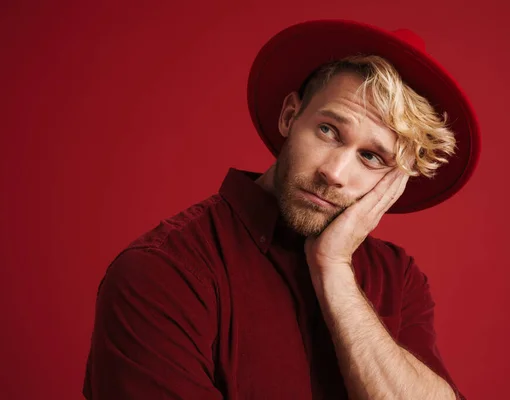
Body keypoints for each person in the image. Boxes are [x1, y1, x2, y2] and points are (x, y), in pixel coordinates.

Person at [83, 19, 480, 400]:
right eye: (328, 131)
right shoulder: (162, 273)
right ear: (290, 116)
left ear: (395, 180)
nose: (334, 172)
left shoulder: (398, 278)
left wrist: (334, 270)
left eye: (372, 157)